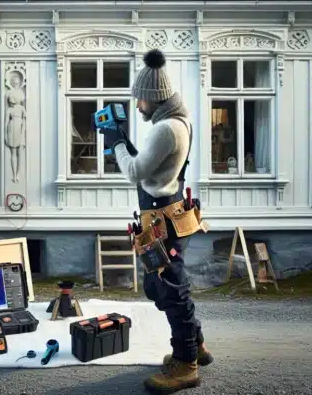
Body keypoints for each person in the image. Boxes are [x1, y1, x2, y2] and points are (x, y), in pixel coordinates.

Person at [100, 48, 212, 392]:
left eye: (139, 101)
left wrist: (116, 141)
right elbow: (150, 166)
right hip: (169, 216)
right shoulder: (177, 120)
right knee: (167, 285)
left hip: (164, 222)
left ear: (152, 97)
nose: (136, 107)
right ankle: (197, 346)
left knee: (169, 289)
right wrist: (126, 143)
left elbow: (134, 171)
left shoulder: (166, 129)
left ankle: (186, 364)